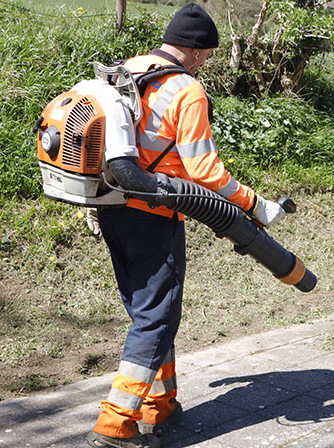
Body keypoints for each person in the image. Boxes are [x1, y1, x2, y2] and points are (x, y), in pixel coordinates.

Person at [85, 3, 285, 447]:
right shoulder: (186, 89)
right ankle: (115, 424)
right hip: (154, 214)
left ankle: (161, 406)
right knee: (156, 318)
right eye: (208, 56)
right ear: (195, 52)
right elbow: (205, 171)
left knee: (148, 312)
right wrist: (255, 204)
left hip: (110, 207)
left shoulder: (122, 72)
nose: (206, 63)